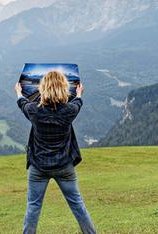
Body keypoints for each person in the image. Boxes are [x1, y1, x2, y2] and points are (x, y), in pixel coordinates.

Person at [15, 70, 97, 234]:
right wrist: (79, 93)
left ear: (43, 88)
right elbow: (78, 102)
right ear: (64, 88)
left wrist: (19, 92)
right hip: (64, 166)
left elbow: (22, 103)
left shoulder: (34, 111)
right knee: (76, 203)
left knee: (33, 206)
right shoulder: (69, 111)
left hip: (38, 167)